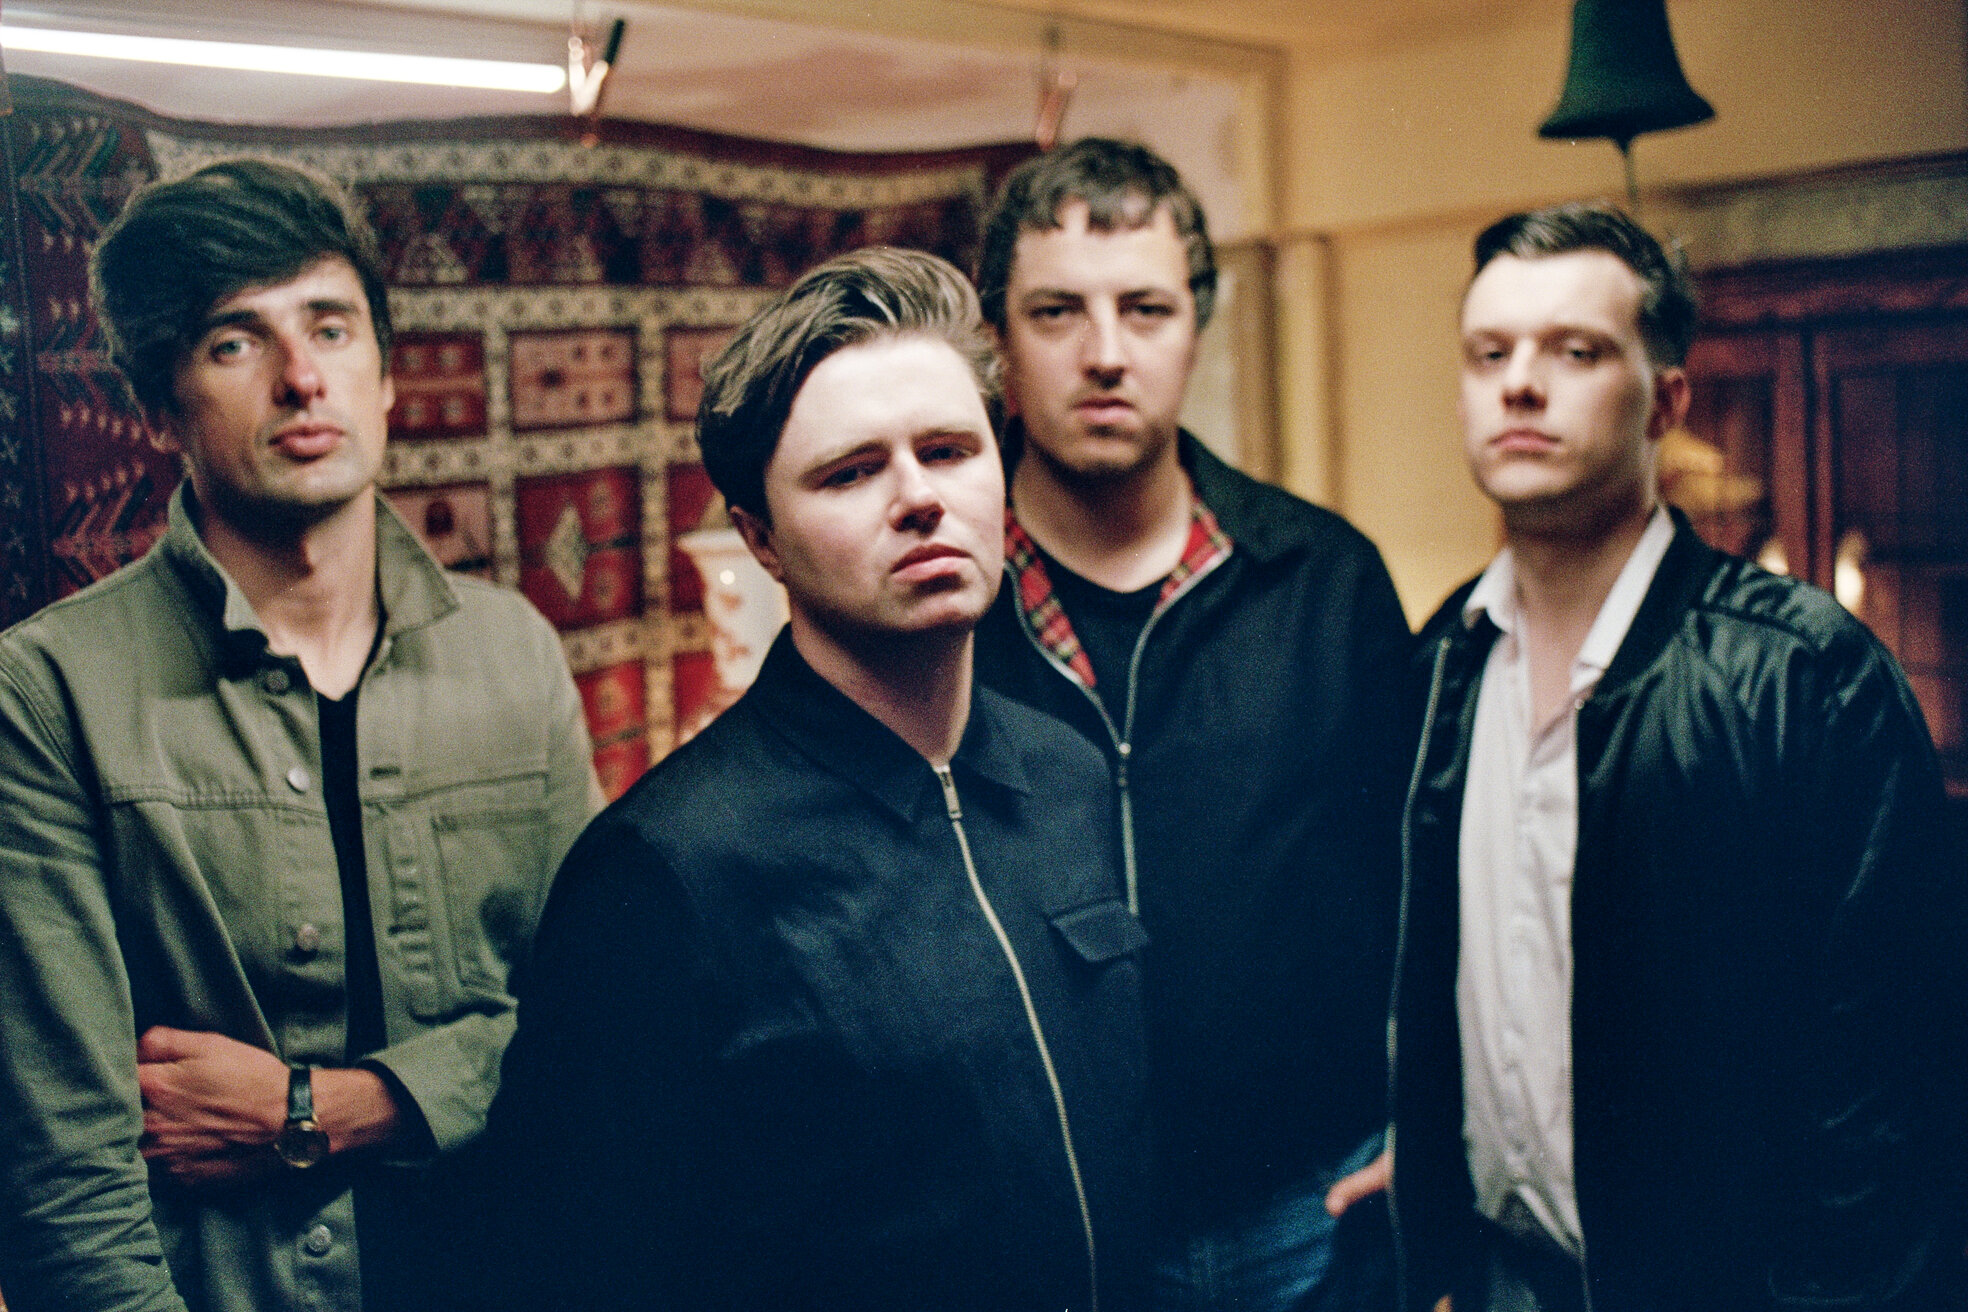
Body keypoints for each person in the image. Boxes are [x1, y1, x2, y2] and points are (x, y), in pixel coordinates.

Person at [479, 246, 1150, 1312]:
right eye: (851, 473)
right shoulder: (665, 870)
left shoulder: (1065, 771)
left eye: (948, 451)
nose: (919, 498)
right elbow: (572, 1267)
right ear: (762, 540)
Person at [0, 158, 601, 1312]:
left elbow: (602, 1035)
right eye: (236, 342)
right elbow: (65, 1190)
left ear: (386, 374)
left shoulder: (514, 654)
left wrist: (327, 1111)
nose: (302, 378)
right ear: (160, 407)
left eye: (331, 326)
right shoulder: (48, 695)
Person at [1389, 201, 1967, 1312]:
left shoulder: (1804, 675)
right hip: (1505, 1280)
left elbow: (1893, 1087)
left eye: (1575, 351)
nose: (1520, 384)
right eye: (1489, 353)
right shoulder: (1439, 665)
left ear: (1667, 401)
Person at [970, 137, 1412, 1311]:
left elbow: (1425, 882)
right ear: (998, 339)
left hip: (1309, 1211)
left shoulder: (1326, 580)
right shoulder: (934, 604)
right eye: (1057, 311)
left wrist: (1435, 1113)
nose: (1105, 353)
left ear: (1196, 328)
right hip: (1035, 1229)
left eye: (1146, 308)